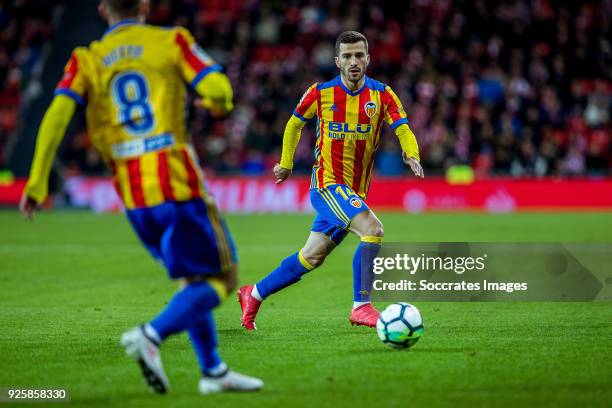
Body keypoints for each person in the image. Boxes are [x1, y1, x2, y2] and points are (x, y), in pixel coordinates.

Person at [19, 0, 263, 395]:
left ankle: (213, 371)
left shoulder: (87, 58)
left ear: (102, 10)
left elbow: (57, 114)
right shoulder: (170, 41)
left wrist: (37, 179)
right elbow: (217, 87)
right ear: (145, 7)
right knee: (222, 278)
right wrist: (221, 102)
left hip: (133, 197)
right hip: (176, 184)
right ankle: (151, 335)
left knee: (191, 278)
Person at [238, 31, 424, 331]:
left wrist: (411, 153)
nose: (354, 61)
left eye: (359, 55)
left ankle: (254, 293)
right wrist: (285, 163)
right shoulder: (320, 93)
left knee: (311, 256)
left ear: (368, 59)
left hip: (353, 190)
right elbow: (293, 125)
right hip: (327, 186)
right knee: (373, 229)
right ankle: (361, 307)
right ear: (337, 61)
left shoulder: (382, 95)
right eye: (347, 56)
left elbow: (402, 127)